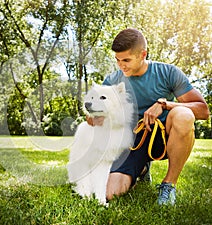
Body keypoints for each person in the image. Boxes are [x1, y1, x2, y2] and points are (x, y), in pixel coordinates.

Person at [87, 28, 210, 205]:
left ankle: (169, 185)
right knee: (111, 193)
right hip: (132, 142)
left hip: (164, 138)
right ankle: (142, 169)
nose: (121, 66)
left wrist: (165, 104)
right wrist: (96, 117)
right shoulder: (112, 81)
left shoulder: (168, 73)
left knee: (183, 115)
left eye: (127, 60)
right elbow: (93, 120)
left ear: (142, 54)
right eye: (118, 60)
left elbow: (203, 110)